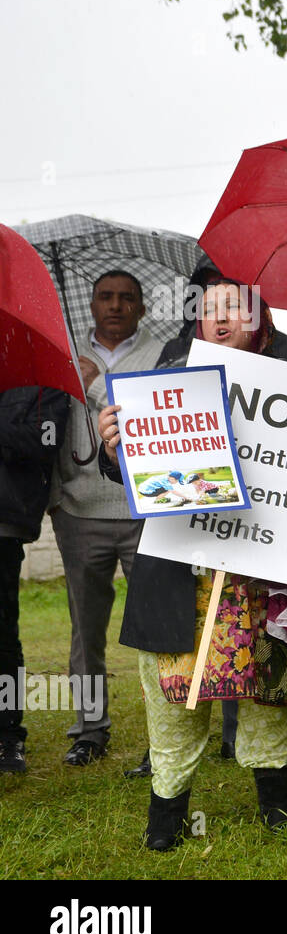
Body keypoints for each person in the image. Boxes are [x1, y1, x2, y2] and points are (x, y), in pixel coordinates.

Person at [97, 273, 287, 849]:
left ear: (260, 318)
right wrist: (114, 449)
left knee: (271, 684)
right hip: (186, 572)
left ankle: (278, 807)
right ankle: (166, 814)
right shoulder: (164, 386)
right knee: (175, 689)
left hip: (269, 575)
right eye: (209, 309)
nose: (222, 318)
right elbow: (142, 477)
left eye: (236, 306)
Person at [50, 270, 163, 768]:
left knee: (158, 627)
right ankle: (89, 730)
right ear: (91, 304)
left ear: (142, 307)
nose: (115, 305)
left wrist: (95, 388)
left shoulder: (162, 356)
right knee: (86, 627)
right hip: (79, 510)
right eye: (105, 297)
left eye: (127, 298)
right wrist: (56, 497)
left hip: (143, 509)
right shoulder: (64, 352)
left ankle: (163, 735)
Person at [0, 387, 70, 773]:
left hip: (4, 525)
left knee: (2, 636)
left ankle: (7, 737)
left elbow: (42, 442)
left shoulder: (42, 388)